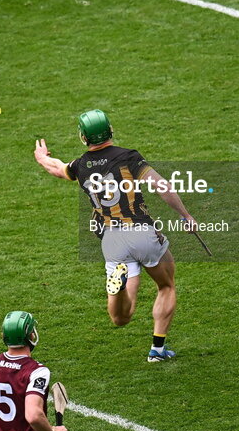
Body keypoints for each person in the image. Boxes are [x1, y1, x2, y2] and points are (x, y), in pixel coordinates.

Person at [33, 109, 199, 362]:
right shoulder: (128, 157)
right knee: (166, 285)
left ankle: (119, 287)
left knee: (121, 317)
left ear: (83, 137)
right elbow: (161, 186)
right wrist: (186, 216)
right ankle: (157, 349)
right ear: (110, 131)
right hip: (141, 232)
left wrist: (42, 157)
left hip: (112, 241)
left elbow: (57, 169)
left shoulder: (81, 165)